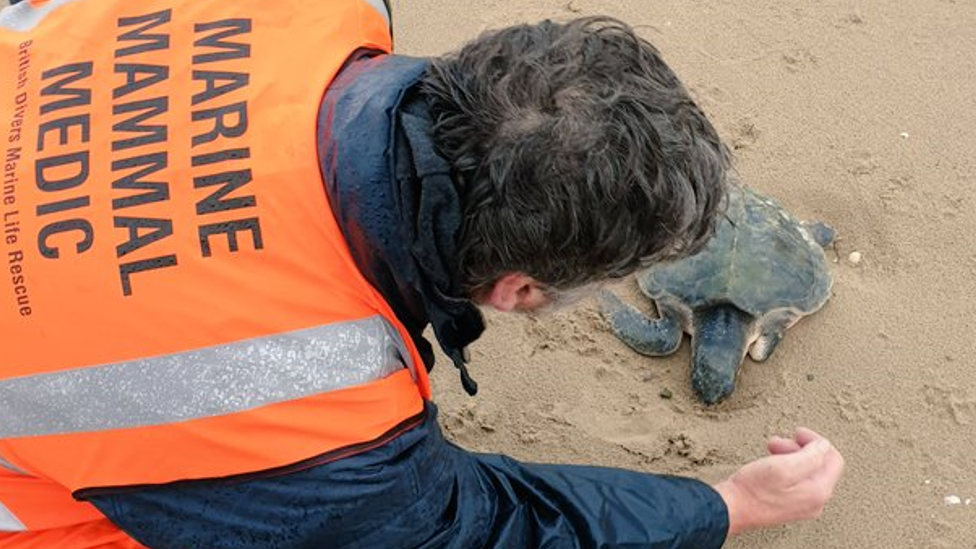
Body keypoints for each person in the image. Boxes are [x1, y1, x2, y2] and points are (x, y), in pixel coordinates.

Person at [0, 0, 844, 547]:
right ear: (517, 290)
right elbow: (465, 528)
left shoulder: (318, 13)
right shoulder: (313, 415)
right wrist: (728, 504)